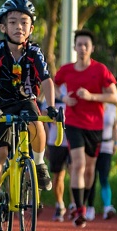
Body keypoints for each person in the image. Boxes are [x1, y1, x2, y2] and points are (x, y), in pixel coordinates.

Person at [0, 0, 57, 231]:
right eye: (13, 22)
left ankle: (40, 163)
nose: (18, 27)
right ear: (3, 27)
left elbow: (46, 79)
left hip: (26, 101)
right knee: (0, 153)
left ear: (31, 28)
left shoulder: (35, 51)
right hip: (1, 104)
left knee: (36, 123)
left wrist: (51, 106)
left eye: (24, 22)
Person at [54, 29, 117, 227]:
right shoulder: (66, 70)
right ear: (74, 47)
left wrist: (92, 97)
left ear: (92, 49)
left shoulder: (100, 70)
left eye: (86, 45)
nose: (82, 48)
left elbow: (114, 96)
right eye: (79, 44)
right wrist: (63, 98)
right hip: (73, 123)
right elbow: (54, 86)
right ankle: (79, 209)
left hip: (95, 125)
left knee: (90, 170)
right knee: (78, 163)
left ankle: (82, 204)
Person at [44, 90, 70, 221]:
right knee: (58, 175)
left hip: (73, 139)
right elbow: (43, 113)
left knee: (75, 173)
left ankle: (75, 205)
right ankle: (60, 204)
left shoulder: (77, 89)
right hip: (56, 141)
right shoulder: (53, 93)